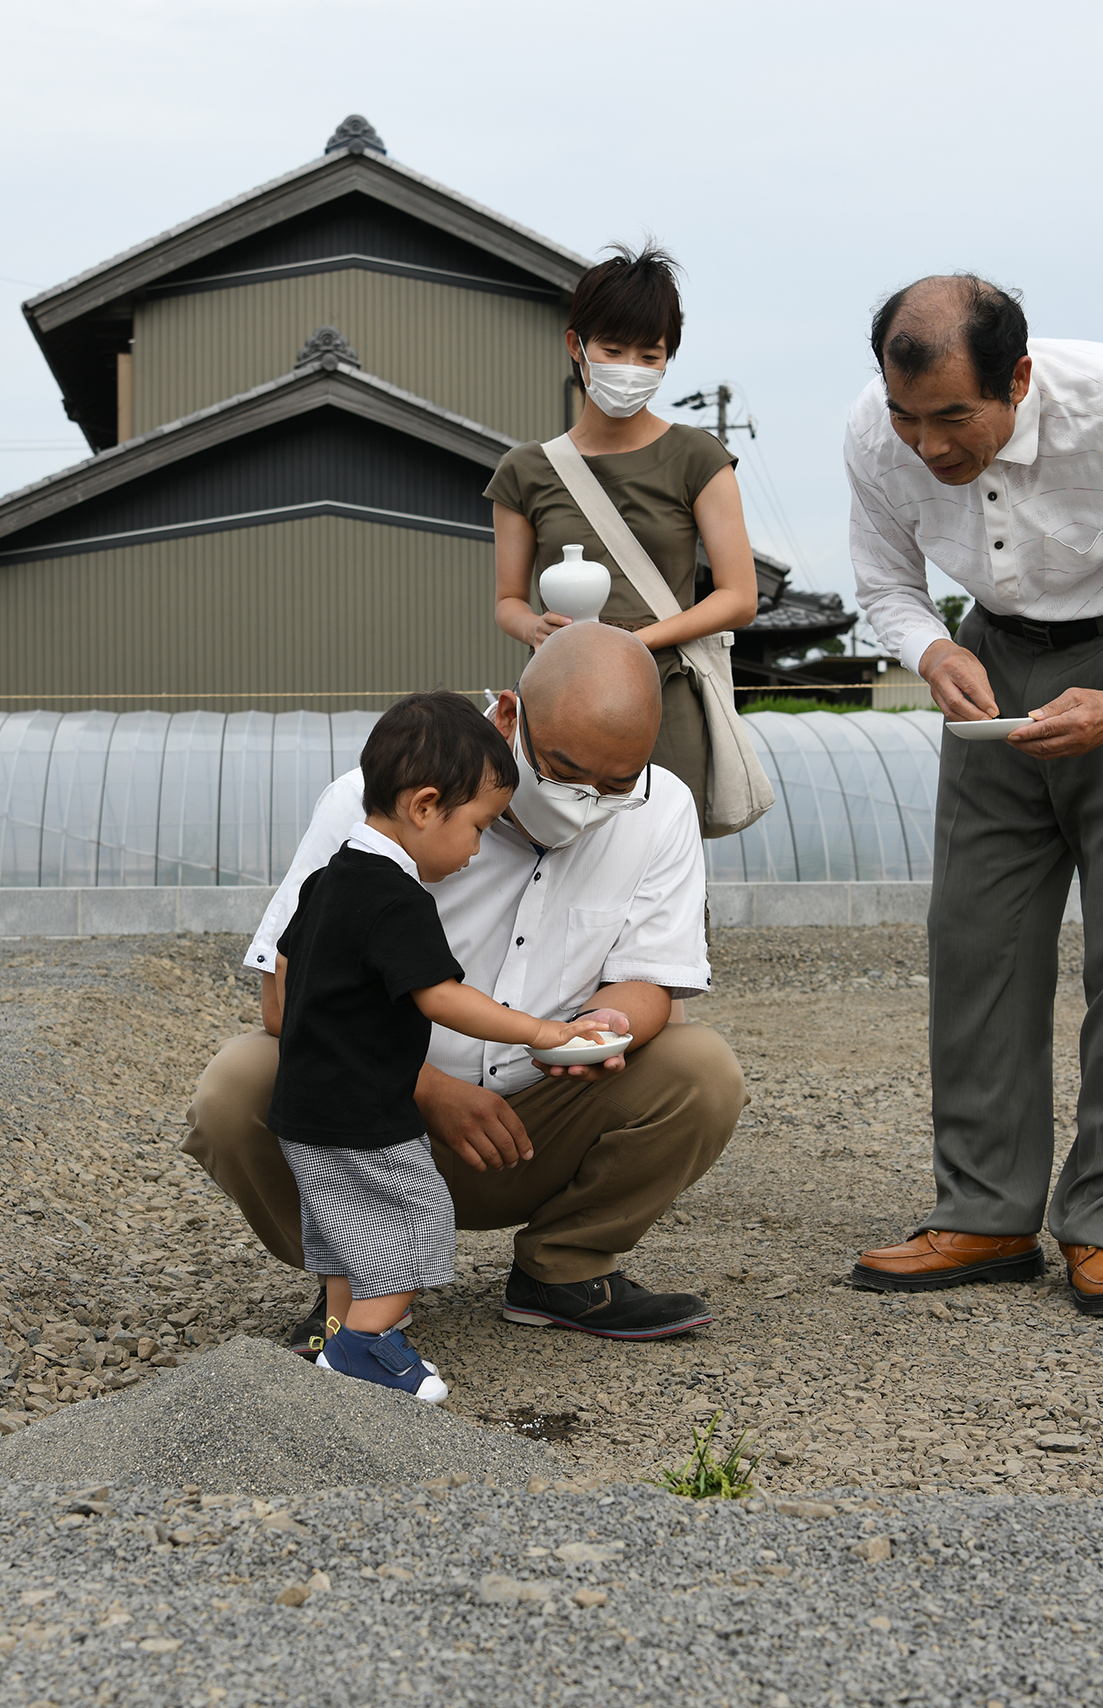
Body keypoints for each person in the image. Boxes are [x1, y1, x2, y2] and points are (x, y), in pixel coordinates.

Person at [844, 275, 1103, 1317]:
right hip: (990, 661)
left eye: (950, 417)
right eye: (904, 415)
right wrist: (929, 646)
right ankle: (982, 1209)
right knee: (974, 938)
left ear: (1016, 378)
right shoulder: (874, 431)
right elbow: (884, 581)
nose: (925, 446)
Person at [182, 623, 747, 1348]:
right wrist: (427, 1089)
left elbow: (651, 978)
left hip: (543, 1115)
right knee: (238, 1085)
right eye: (566, 771)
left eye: (615, 786)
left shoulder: (661, 807)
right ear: (510, 718)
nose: (586, 803)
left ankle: (564, 1267)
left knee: (701, 1070)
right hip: (377, 1116)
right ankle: (359, 1289)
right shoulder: (372, 806)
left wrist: (603, 1027)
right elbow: (285, 997)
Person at [269, 690, 625, 1401]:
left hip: (306, 1109)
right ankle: (369, 1348)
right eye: (477, 826)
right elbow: (443, 997)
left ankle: (336, 1349)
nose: (473, 849)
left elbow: (285, 973)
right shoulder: (395, 898)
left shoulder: (327, 881)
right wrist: (543, 1030)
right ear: (425, 806)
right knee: (413, 1219)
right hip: (365, 1113)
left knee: (345, 1237)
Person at [489, 244, 761, 836]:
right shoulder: (526, 470)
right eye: (612, 350)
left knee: (661, 867)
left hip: (668, 697)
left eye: (650, 354)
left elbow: (739, 597)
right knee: (552, 860)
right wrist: (532, 626)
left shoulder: (698, 456)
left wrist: (636, 642)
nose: (630, 367)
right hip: (559, 697)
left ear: (668, 359)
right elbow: (508, 601)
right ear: (576, 346)